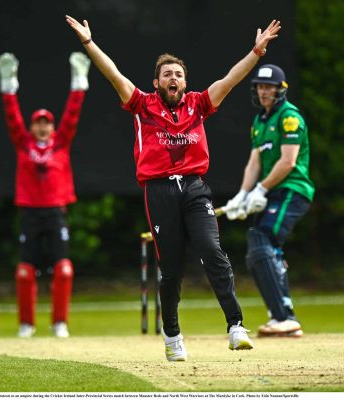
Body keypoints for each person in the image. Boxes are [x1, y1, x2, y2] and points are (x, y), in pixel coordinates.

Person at [66, 14, 281, 361]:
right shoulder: (142, 105)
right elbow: (113, 74)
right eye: (167, 74)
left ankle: (236, 326)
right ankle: (172, 334)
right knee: (173, 270)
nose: (174, 78)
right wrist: (89, 43)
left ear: (185, 81)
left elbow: (230, 80)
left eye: (178, 74)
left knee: (212, 251)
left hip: (195, 188)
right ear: (157, 82)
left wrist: (256, 52)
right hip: (159, 191)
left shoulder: (198, 103)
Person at [0, 51, 90, 338]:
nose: (43, 126)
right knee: (25, 271)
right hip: (30, 213)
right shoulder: (23, 143)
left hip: (55, 211)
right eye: (38, 122)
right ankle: (27, 325)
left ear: (51, 126)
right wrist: (8, 86)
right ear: (33, 125)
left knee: (62, 270)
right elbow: (12, 119)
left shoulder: (60, 142)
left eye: (47, 122)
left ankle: (59, 322)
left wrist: (78, 85)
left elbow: (71, 116)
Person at [225, 64, 315, 338]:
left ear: (280, 90)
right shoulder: (260, 121)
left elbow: (287, 162)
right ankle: (283, 315)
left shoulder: (289, 118)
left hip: (292, 189)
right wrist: (242, 194)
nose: (264, 92)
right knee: (260, 247)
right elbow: (254, 161)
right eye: (260, 87)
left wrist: (260, 190)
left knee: (262, 239)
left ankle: (283, 317)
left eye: (269, 87)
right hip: (272, 190)